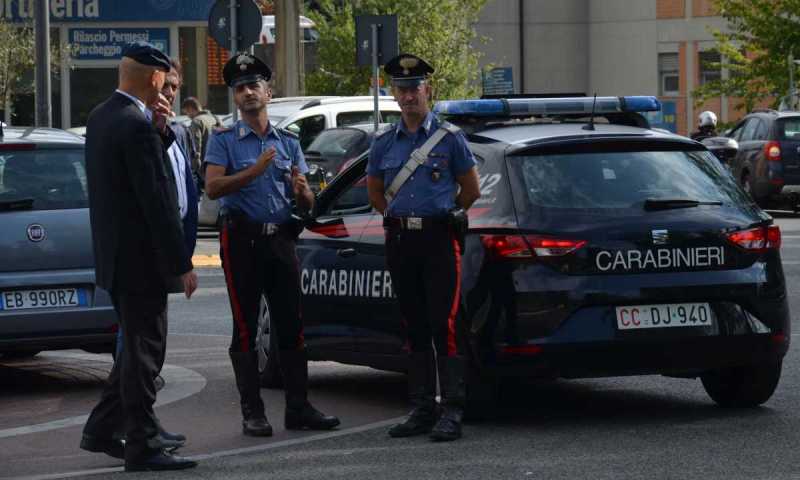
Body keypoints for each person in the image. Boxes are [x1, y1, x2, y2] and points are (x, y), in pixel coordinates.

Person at [204, 52, 340, 437]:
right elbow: (213, 187)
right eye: (240, 88)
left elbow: (307, 203)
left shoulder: (288, 141)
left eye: (254, 86)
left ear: (268, 91)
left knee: (291, 324)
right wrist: (253, 171)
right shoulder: (224, 140)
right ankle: (253, 412)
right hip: (242, 240)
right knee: (246, 327)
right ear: (235, 97)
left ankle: (299, 407)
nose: (248, 92)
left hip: (280, 238)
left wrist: (304, 193)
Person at [79, 41, 198, 472]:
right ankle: (143, 444)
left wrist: (160, 131)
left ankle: (103, 428)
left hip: (117, 260)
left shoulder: (101, 116)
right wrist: (181, 264)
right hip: (142, 263)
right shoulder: (135, 125)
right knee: (146, 354)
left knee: (134, 352)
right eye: (164, 80)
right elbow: (157, 200)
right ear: (154, 77)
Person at [366, 53, 481, 441]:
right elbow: (375, 192)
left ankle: (453, 409)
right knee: (412, 323)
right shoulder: (384, 142)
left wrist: (445, 214)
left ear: (427, 90)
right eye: (402, 89)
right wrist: (397, 218)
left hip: (438, 239)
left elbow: (471, 189)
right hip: (402, 239)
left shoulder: (450, 139)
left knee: (443, 324)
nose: (409, 96)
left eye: (414, 88)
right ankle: (421, 408)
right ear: (393, 94)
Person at [181, 96, 221, 189]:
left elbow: (195, 152)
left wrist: (199, 174)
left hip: (204, 173)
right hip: (218, 168)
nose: (188, 116)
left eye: (187, 112)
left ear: (190, 109)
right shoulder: (215, 118)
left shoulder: (196, 122)